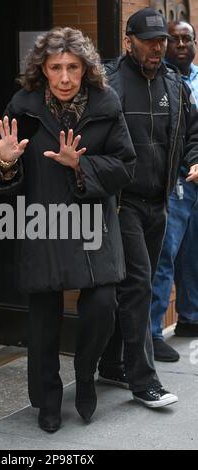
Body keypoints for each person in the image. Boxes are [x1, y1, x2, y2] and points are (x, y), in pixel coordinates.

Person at [0, 27, 136, 432]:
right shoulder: (23, 106)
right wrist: (6, 163)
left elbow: (125, 166)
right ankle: (48, 401)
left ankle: (85, 377)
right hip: (42, 223)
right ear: (43, 70)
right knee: (44, 322)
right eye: (56, 68)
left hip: (92, 226)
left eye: (73, 67)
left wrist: (80, 166)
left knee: (103, 307)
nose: (65, 77)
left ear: (85, 69)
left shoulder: (107, 104)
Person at [98, 8, 198, 408]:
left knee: (137, 284)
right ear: (128, 42)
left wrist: (194, 159)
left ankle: (110, 363)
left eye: (162, 41)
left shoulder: (176, 85)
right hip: (121, 203)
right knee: (139, 284)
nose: (159, 48)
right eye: (150, 41)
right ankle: (145, 381)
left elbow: (192, 133)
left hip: (161, 200)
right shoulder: (107, 84)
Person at [151, 21, 198, 362]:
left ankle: (190, 317)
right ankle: (152, 332)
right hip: (174, 179)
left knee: (194, 253)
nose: (181, 44)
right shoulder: (162, 81)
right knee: (164, 255)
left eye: (187, 39)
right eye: (175, 39)